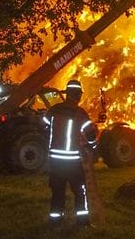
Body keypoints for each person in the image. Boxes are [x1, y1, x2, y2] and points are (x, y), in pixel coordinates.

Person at [42, 79, 98, 227]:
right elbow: (90, 133)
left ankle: (55, 221)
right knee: (80, 191)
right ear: (77, 95)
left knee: (57, 191)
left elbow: (44, 125)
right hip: (72, 160)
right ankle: (83, 222)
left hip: (55, 160)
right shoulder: (80, 113)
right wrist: (93, 148)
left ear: (67, 94)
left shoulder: (54, 110)